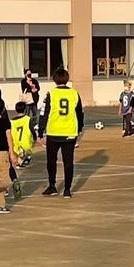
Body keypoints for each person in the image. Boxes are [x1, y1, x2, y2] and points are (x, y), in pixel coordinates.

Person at [37, 68, 83, 198]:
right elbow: (80, 113)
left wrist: (40, 131)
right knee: (68, 162)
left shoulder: (51, 94)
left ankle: (52, 186)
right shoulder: (74, 93)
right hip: (70, 131)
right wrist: (80, 128)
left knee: (51, 161)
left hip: (54, 132)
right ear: (67, 79)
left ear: (55, 79)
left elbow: (44, 113)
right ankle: (67, 190)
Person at [10, 101, 34, 168]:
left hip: (16, 141)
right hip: (26, 140)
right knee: (28, 151)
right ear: (25, 109)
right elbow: (32, 129)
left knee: (19, 152)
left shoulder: (12, 121)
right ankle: (25, 160)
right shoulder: (27, 119)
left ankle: (20, 162)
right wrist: (35, 137)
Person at [20, 68, 41, 136]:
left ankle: (35, 127)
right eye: (28, 73)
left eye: (30, 73)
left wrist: (35, 89)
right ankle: (26, 125)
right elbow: (24, 89)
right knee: (27, 113)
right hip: (28, 99)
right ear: (25, 74)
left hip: (34, 100)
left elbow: (38, 87)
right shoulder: (23, 81)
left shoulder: (34, 80)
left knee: (35, 113)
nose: (29, 74)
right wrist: (29, 85)